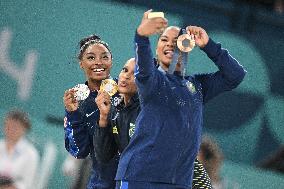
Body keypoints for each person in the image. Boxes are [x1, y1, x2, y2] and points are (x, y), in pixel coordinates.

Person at [114, 10, 246, 189]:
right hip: (141, 177)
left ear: (186, 45)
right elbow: (143, 67)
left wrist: (208, 45)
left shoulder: (198, 86)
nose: (169, 45)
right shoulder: (152, 80)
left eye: (176, 41)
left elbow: (235, 75)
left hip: (178, 181)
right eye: (164, 40)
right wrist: (142, 36)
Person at [94, 57, 213, 189]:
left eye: (136, 73)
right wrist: (103, 117)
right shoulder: (116, 111)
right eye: (125, 70)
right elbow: (104, 156)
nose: (126, 76)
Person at [63, 34, 119, 189]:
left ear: (111, 60)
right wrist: (72, 114)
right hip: (102, 183)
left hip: (135, 180)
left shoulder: (125, 88)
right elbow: (79, 151)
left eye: (104, 57)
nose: (98, 62)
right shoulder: (78, 103)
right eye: (91, 58)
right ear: (81, 63)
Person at [0, 109, 39, 189]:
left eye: (15, 127)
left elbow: (27, 183)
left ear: (24, 129)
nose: (10, 130)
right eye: (7, 125)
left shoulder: (31, 154)